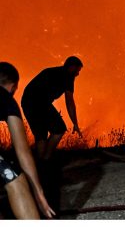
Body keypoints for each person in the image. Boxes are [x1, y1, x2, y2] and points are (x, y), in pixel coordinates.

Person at [0, 62, 55, 219]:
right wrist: (38, 191)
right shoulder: (6, 99)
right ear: (12, 86)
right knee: (14, 178)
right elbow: (22, 150)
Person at [21, 56, 83, 161]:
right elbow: (69, 102)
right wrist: (75, 123)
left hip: (27, 102)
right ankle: (46, 159)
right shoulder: (68, 77)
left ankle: (40, 165)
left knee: (41, 135)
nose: (78, 74)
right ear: (72, 67)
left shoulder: (51, 71)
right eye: (77, 70)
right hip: (39, 102)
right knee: (59, 129)